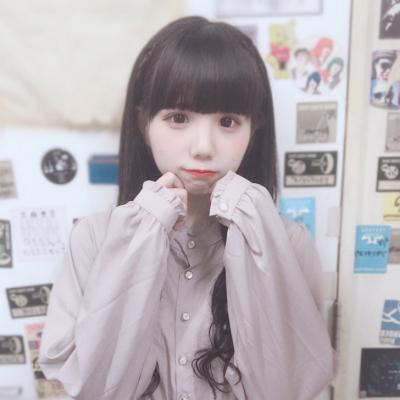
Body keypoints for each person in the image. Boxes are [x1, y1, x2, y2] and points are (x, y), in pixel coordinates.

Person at [38, 16, 337, 400]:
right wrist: (145, 231)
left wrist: (253, 229)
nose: (203, 147)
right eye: (178, 118)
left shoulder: (287, 244)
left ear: (254, 128)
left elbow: (285, 389)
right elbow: (91, 388)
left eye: (227, 121)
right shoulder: (94, 239)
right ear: (143, 123)